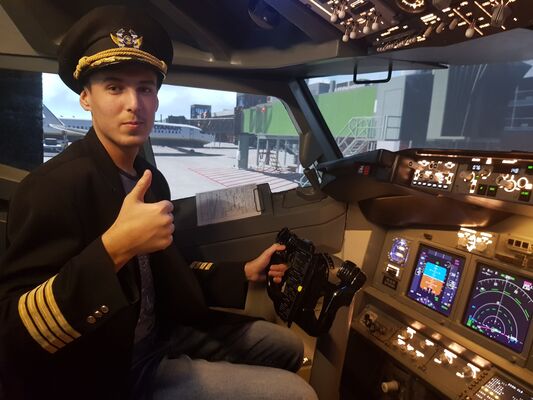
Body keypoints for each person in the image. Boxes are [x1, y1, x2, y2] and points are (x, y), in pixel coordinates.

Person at [0, 5, 317, 400]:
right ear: (85, 98)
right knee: (298, 394)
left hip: (159, 334)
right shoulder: (52, 187)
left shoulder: (150, 178)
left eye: (145, 88)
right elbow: (14, 333)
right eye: (114, 87)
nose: (134, 103)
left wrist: (243, 272)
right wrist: (113, 249)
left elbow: (165, 274)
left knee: (287, 346)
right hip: (109, 368)